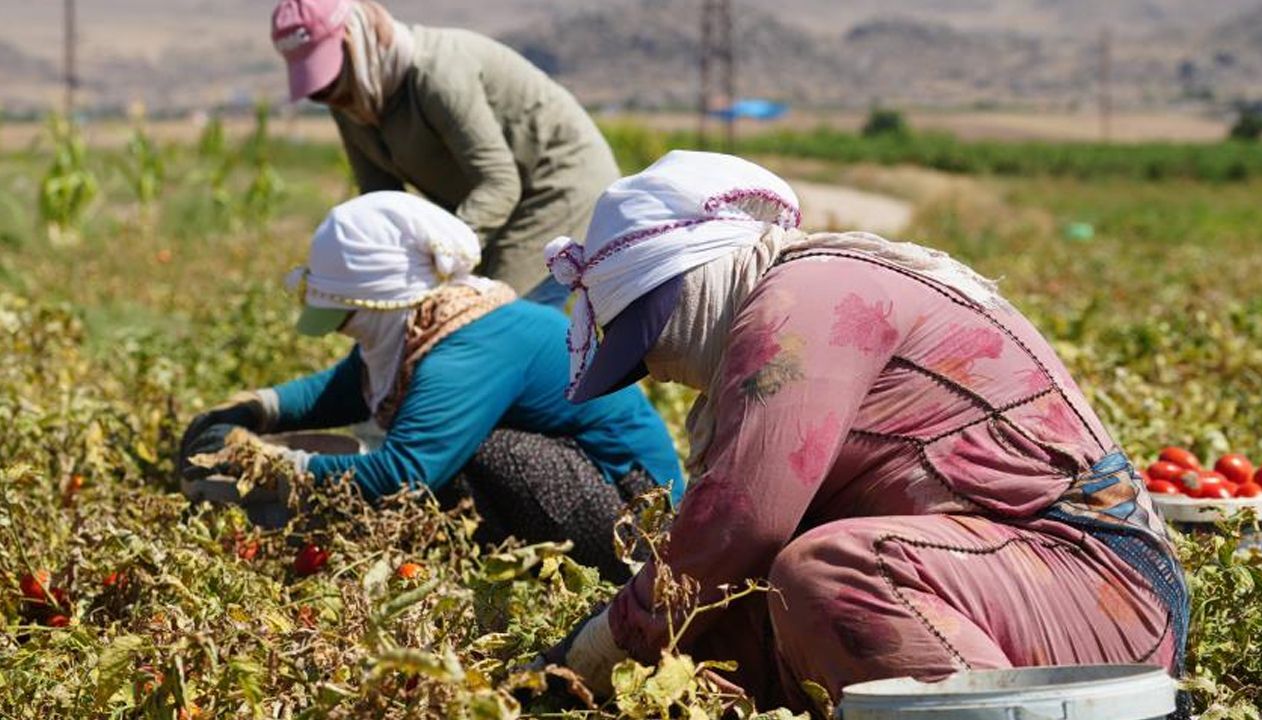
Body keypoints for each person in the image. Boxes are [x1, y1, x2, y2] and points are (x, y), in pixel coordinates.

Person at [533, 151, 1187, 711]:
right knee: (710, 642)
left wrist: (607, 638)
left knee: (832, 573)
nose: (664, 369)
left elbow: (740, 522)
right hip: (996, 588)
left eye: (655, 336)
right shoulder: (789, 297)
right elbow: (719, 573)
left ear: (696, 274)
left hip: (1098, 595)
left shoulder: (808, 298)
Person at [179, 191, 683, 582]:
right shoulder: (435, 323)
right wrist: (260, 409)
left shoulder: (468, 349)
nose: (343, 332)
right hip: (597, 494)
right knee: (449, 447)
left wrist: (274, 465)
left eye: (347, 318)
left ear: (387, 302)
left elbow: (403, 474)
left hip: (636, 529)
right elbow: (348, 385)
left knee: (477, 453)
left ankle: (538, 574)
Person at [269, 0, 620, 306]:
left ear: (353, 42)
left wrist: (435, 256)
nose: (326, 92)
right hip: (494, 209)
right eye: (318, 86)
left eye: (329, 75)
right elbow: (382, 202)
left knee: (499, 323)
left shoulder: (436, 74)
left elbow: (499, 183)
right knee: (450, 316)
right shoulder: (352, 99)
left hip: (557, 189)